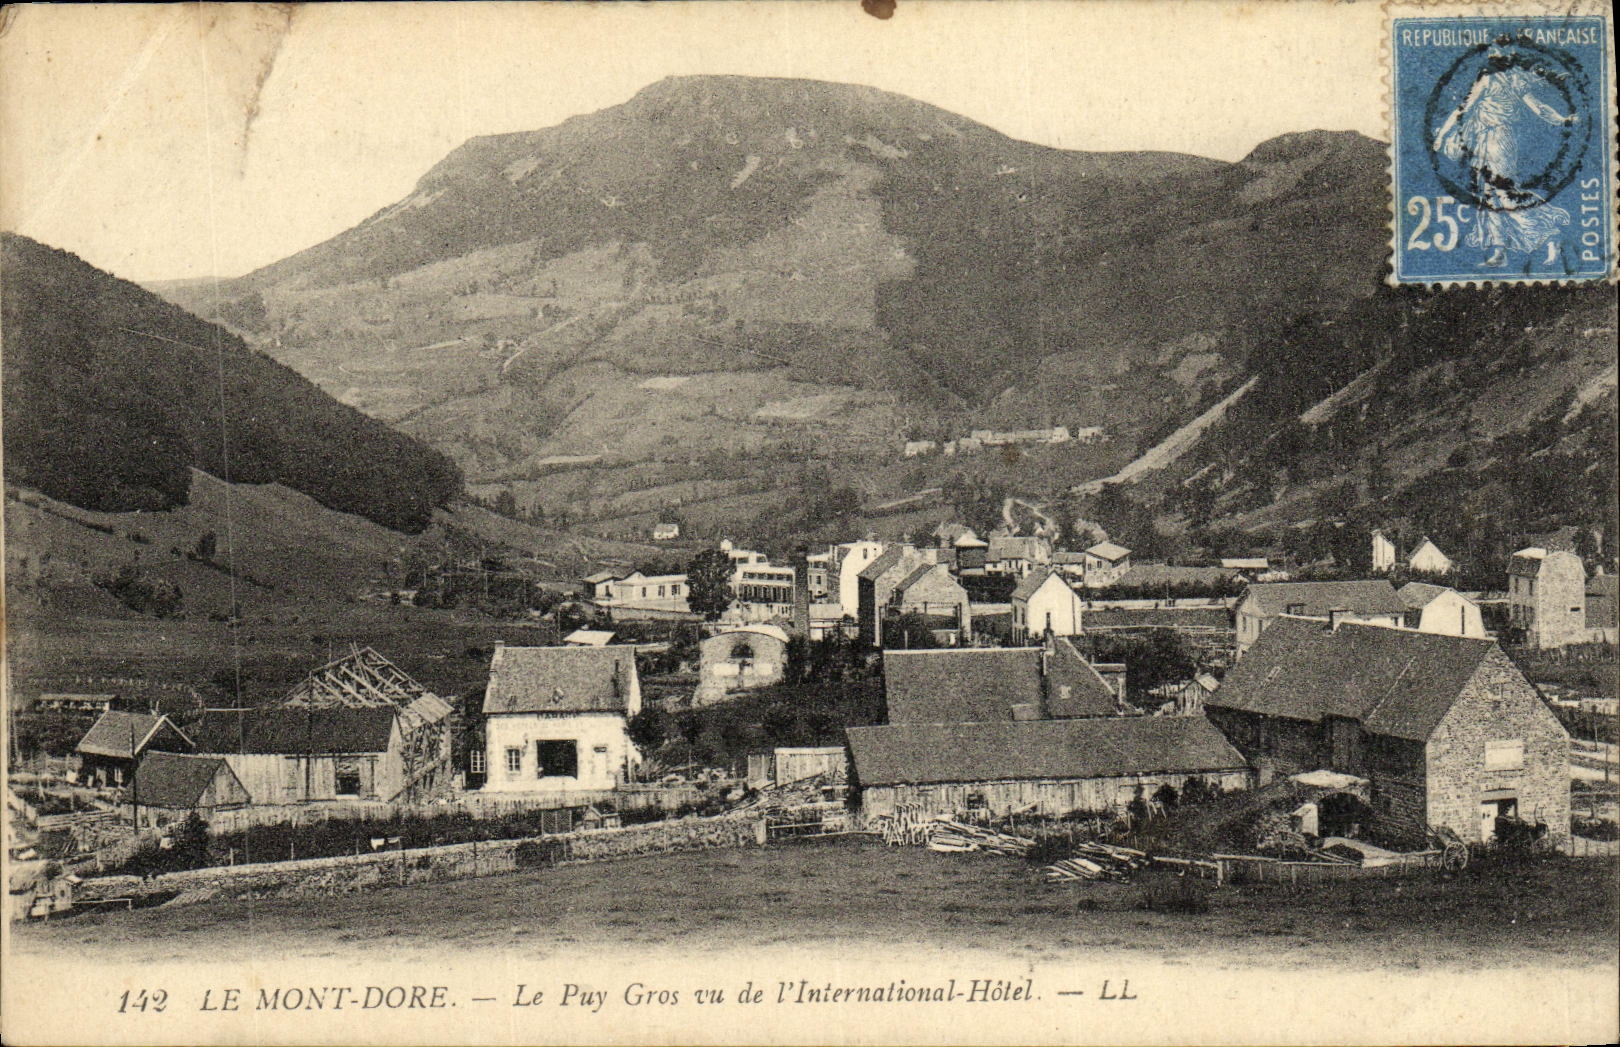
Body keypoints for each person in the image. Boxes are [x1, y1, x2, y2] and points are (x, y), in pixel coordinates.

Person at [1432, 38, 1577, 267]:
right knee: (1488, 195)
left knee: (1506, 194)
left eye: (1498, 52)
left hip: (1499, 141)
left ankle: (1549, 234)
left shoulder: (1492, 79)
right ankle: (1499, 252)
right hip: (1484, 141)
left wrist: (1440, 137)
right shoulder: (1508, 78)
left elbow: (1463, 109)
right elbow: (1539, 108)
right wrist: (1563, 120)